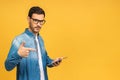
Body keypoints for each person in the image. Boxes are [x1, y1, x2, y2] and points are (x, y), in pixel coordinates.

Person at [5, 6, 63, 80]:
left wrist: (52, 62)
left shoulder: (40, 39)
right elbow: (7, 67)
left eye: (41, 21)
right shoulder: (19, 40)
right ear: (28, 19)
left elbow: (44, 60)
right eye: (35, 20)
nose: (39, 24)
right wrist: (18, 55)